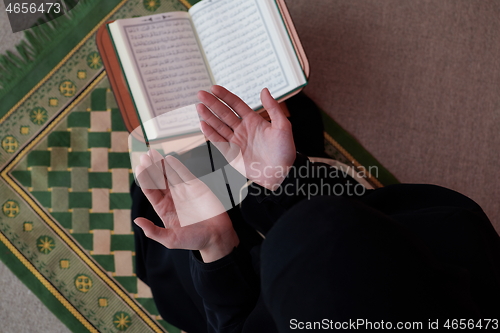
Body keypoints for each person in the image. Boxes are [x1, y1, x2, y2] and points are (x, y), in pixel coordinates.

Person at [131, 86, 500, 333]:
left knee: (174, 255)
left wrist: (216, 246)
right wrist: (284, 179)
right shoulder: (459, 238)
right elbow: (361, 216)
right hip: (348, 228)